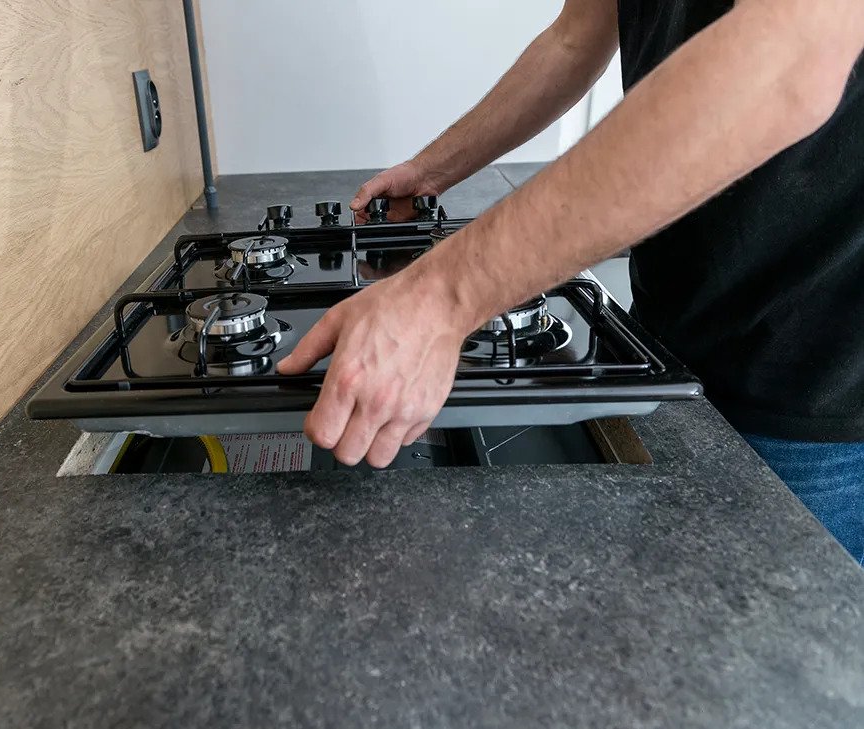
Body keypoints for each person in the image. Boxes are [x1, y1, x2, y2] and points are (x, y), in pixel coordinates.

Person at [276, 0, 864, 563]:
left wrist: (439, 298)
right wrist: (435, 169)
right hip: (671, 338)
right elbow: (577, 33)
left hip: (818, 388)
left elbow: (791, 58)